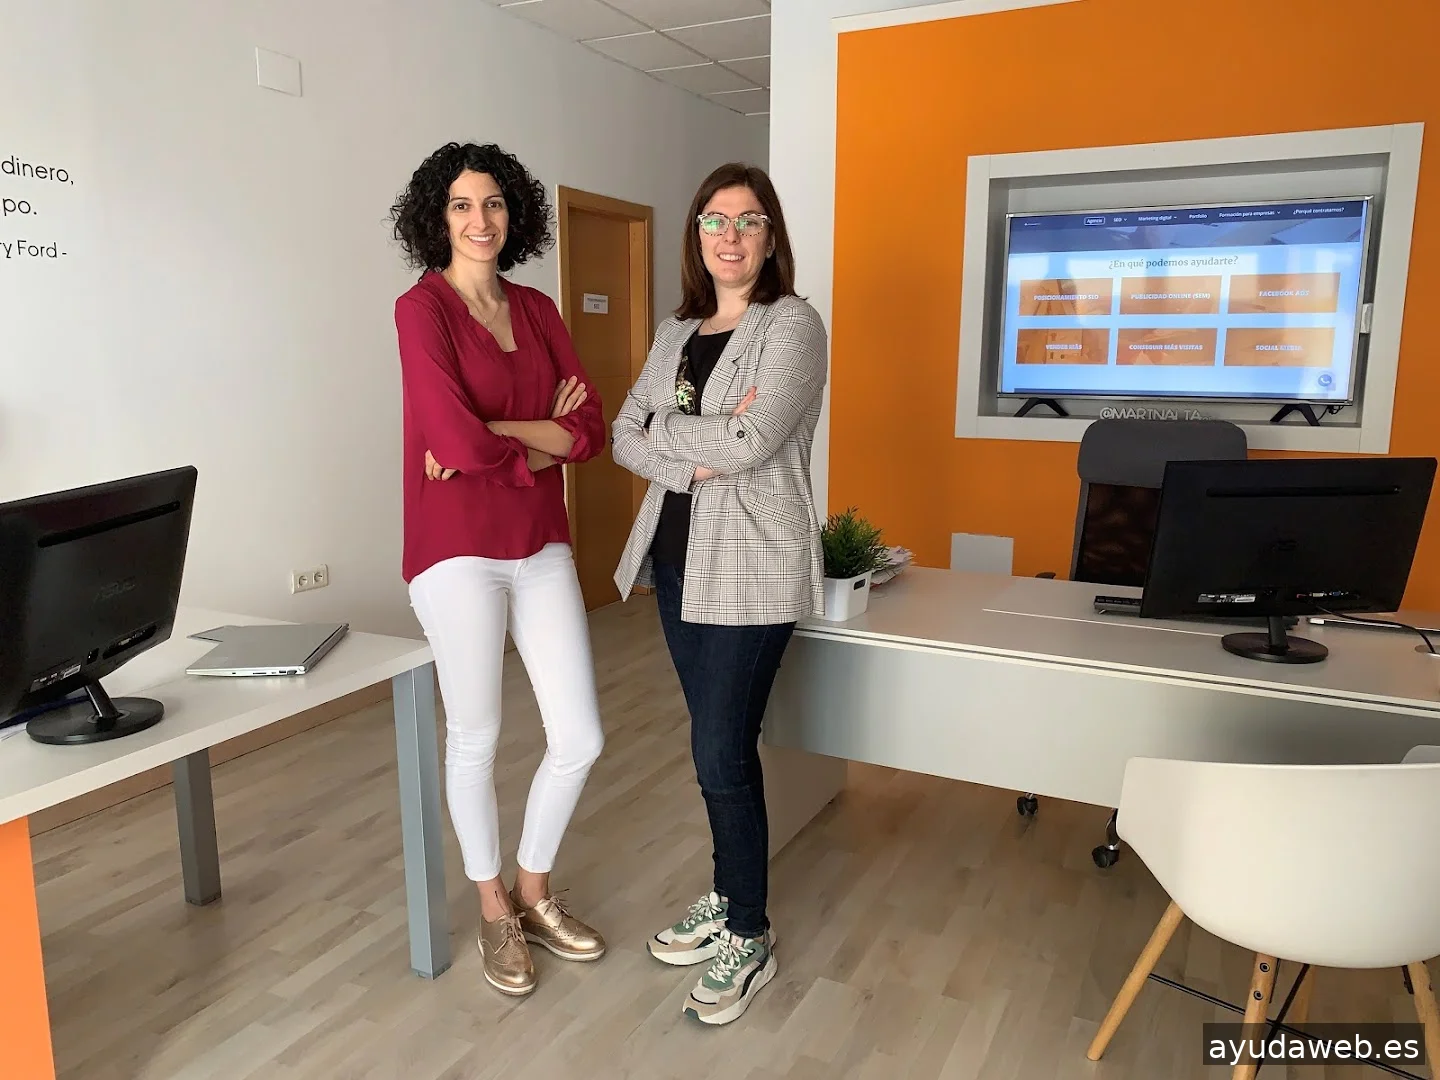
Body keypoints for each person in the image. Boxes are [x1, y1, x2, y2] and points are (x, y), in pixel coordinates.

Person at [610, 162, 828, 1025]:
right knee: (715, 747)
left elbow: (753, 439)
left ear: (771, 237)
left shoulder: (792, 324)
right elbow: (623, 434)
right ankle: (729, 895)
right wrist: (691, 445)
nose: (729, 236)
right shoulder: (677, 331)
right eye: (713, 220)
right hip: (677, 564)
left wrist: (671, 432)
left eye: (747, 221)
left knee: (720, 750)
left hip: (752, 564)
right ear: (695, 234)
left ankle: (748, 931)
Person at [389, 141, 607, 998]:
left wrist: (501, 436)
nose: (479, 220)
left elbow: (588, 430)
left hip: (539, 542)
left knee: (580, 736)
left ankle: (533, 888)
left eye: (493, 203)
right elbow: (450, 439)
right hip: (453, 550)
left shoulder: (539, 309)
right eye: (461, 205)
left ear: (515, 214)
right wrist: (537, 440)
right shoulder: (421, 311)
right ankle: (492, 909)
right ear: (437, 218)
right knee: (475, 734)